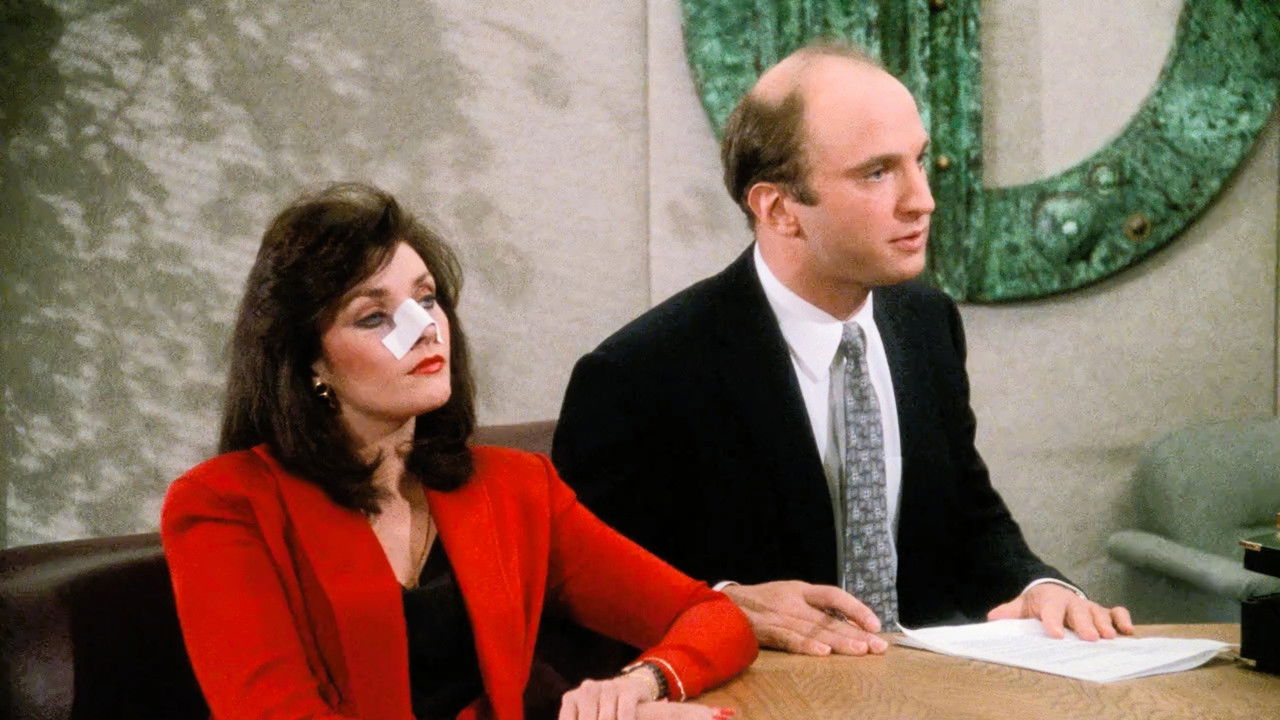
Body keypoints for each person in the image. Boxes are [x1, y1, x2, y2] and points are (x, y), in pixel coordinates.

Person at [552, 43, 1133, 658]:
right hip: (756, 690)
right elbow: (580, 601)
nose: (922, 199)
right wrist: (719, 606)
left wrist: (1038, 586)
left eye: (918, 161)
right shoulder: (638, 374)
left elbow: (966, 518)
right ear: (779, 209)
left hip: (927, 685)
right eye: (877, 172)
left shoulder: (926, 323)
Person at [161, 182, 755, 720]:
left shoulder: (517, 486)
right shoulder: (223, 503)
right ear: (309, 362)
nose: (423, 328)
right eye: (374, 316)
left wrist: (640, 686)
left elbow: (713, 617)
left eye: (426, 299)